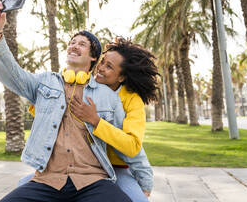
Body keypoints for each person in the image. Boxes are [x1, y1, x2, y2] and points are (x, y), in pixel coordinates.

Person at [0, 0, 138, 202]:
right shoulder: (44, 83)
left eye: (82, 44)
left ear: (93, 57)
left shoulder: (108, 97)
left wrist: (143, 180)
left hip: (92, 181)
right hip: (47, 181)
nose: (74, 45)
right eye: (72, 42)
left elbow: (125, 144)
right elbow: (11, 75)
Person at [20, 37, 159, 201]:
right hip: (83, 167)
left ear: (121, 77)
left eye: (109, 67)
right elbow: (61, 120)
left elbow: (133, 147)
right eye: (102, 62)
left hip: (116, 167)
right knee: (22, 184)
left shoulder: (131, 100)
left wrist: (96, 121)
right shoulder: (85, 86)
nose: (100, 68)